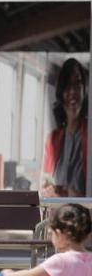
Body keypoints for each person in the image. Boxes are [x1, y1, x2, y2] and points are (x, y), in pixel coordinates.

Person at [42, 58, 89, 198]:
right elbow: (45, 184)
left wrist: (73, 194)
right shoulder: (52, 139)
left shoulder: (90, 135)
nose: (72, 91)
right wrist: (46, 189)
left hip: (85, 217)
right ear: (61, 92)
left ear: (85, 89)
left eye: (77, 83)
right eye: (67, 85)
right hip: (57, 215)